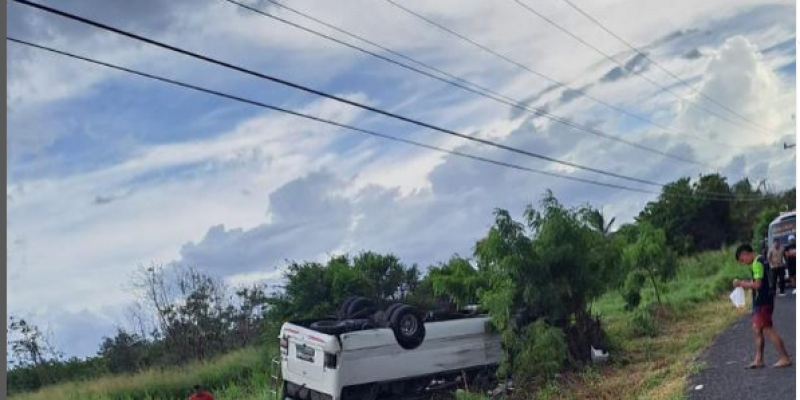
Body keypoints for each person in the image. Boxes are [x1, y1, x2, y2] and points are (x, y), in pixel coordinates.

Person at [734, 244, 792, 369]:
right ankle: (758, 359)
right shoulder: (762, 259)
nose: (744, 263)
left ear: (745, 254)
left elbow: (758, 285)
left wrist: (742, 283)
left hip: (762, 301)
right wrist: (746, 283)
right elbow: (760, 281)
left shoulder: (757, 263)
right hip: (766, 299)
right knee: (757, 329)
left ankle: (784, 357)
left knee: (767, 329)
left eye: (743, 260)